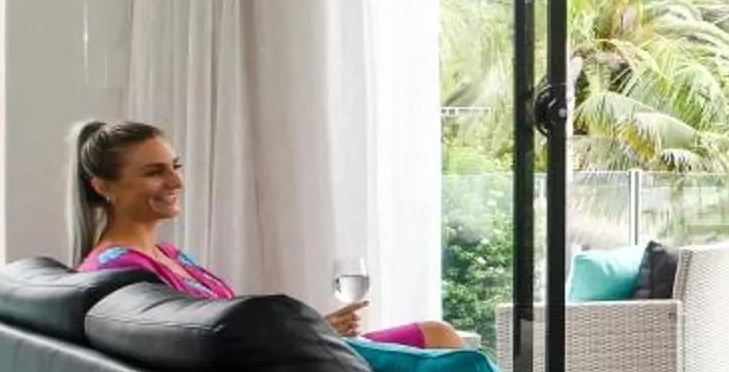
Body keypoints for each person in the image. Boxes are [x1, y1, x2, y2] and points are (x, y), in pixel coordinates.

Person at [70, 119, 460, 348]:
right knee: (438, 337)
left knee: (441, 346)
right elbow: (200, 347)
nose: (176, 180)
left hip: (294, 359)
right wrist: (314, 336)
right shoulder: (121, 271)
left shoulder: (168, 255)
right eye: (154, 172)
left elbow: (226, 335)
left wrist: (314, 331)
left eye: (176, 166)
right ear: (103, 186)